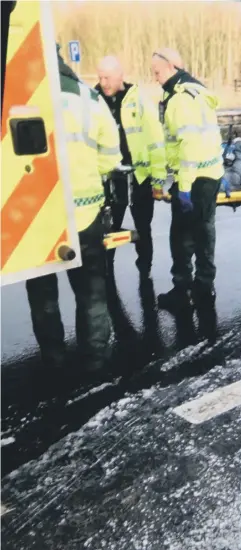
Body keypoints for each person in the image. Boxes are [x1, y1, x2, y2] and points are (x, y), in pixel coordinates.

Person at [26, 46, 121, 373]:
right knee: (91, 292)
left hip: (37, 217)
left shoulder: (20, 95)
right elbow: (110, 157)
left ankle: (53, 358)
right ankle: (95, 360)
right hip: (85, 215)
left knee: (43, 295)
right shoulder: (89, 99)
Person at [151, 48, 224, 312]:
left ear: (171, 67)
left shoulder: (180, 99)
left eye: (157, 72)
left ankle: (183, 291)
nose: (156, 78)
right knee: (205, 232)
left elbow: (188, 144)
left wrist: (183, 188)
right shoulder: (198, 92)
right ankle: (205, 287)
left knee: (181, 237)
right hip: (211, 174)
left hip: (193, 179)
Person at [96, 56, 166, 278]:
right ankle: (106, 274)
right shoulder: (94, 101)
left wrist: (158, 179)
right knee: (108, 231)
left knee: (143, 228)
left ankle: (145, 271)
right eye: (100, 77)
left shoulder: (138, 100)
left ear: (120, 76)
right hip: (109, 178)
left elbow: (155, 140)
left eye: (107, 77)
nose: (103, 82)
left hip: (139, 177)